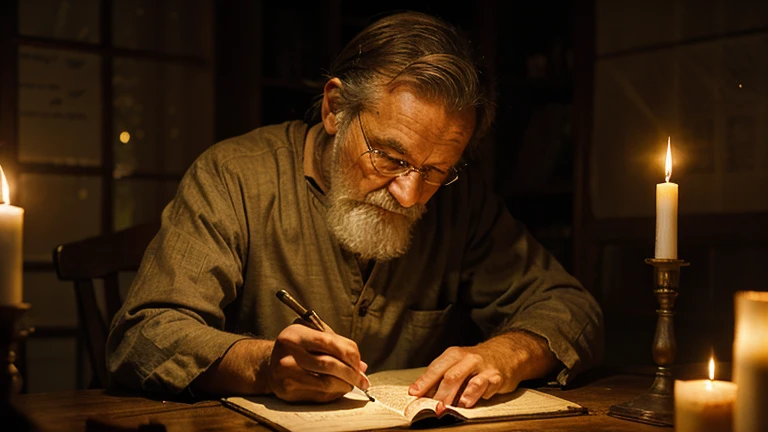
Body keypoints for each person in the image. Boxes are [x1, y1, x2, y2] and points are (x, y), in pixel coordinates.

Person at [107, 10, 603, 409]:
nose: (410, 194)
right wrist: (263, 365)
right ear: (334, 109)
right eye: (391, 156)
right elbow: (145, 335)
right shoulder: (234, 176)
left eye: (435, 170)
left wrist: (506, 352)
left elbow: (572, 308)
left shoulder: (461, 200)